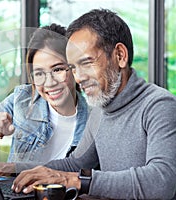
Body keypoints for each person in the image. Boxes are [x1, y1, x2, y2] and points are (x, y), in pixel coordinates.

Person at [10, 9, 176, 199]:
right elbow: (76, 164)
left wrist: (73, 181)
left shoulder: (159, 105)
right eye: (73, 67)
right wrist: (11, 169)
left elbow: (161, 182)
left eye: (87, 63)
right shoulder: (100, 109)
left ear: (120, 56)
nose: (78, 78)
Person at [0, 23, 89, 165]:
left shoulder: (94, 118)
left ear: (73, 68)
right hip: (16, 186)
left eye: (58, 70)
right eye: (39, 73)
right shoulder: (21, 99)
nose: (49, 83)